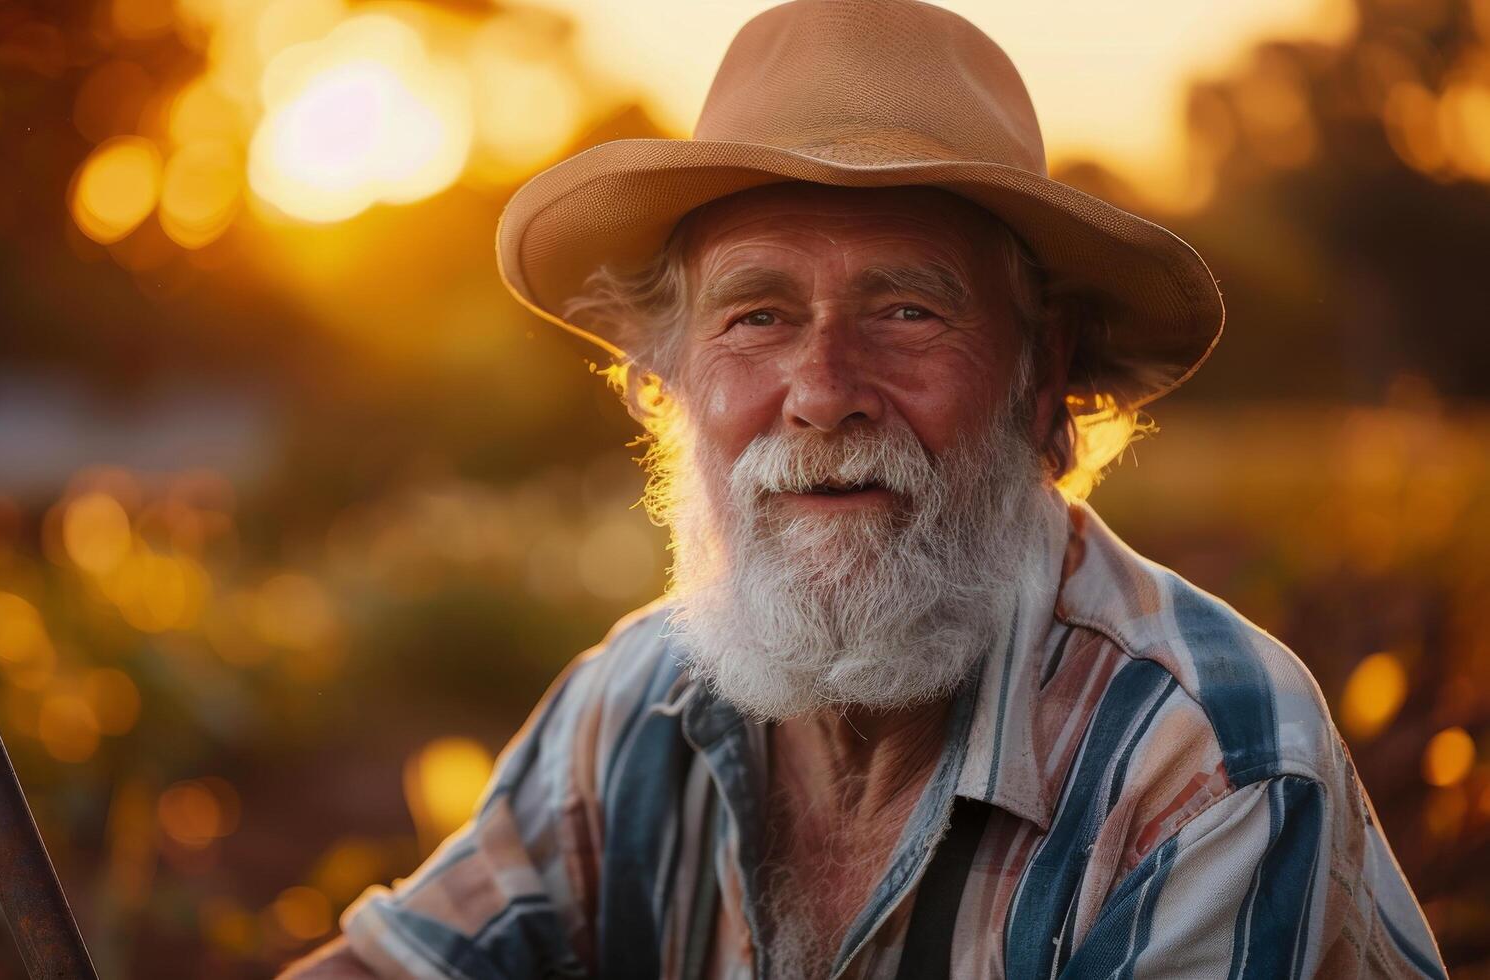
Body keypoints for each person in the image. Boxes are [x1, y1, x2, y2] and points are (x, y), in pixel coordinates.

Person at [282, 0, 1446, 976]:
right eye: (757, 315)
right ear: (668, 383)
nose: (822, 389)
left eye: (907, 309)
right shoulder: (635, 708)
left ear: (1047, 387)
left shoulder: (1207, 767)